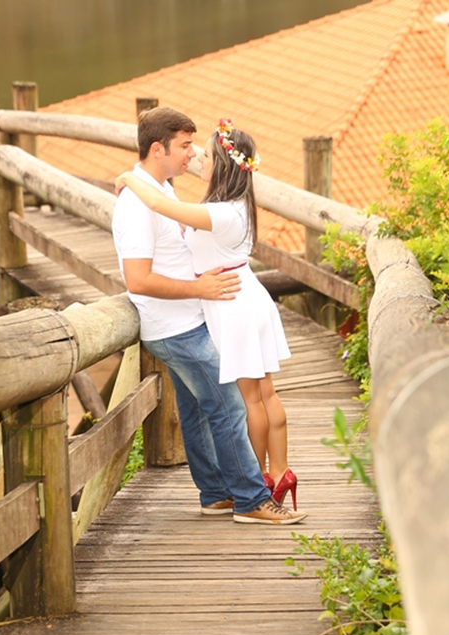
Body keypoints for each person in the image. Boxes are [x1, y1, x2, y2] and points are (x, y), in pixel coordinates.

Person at [111, 106, 305, 525]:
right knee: (231, 405)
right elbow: (138, 280)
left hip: (194, 315)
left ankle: (217, 493)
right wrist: (198, 288)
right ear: (158, 148)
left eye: (197, 148)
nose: (192, 154)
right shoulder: (141, 202)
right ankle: (251, 499)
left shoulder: (163, 192)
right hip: (176, 324)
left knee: (200, 409)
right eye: (184, 146)